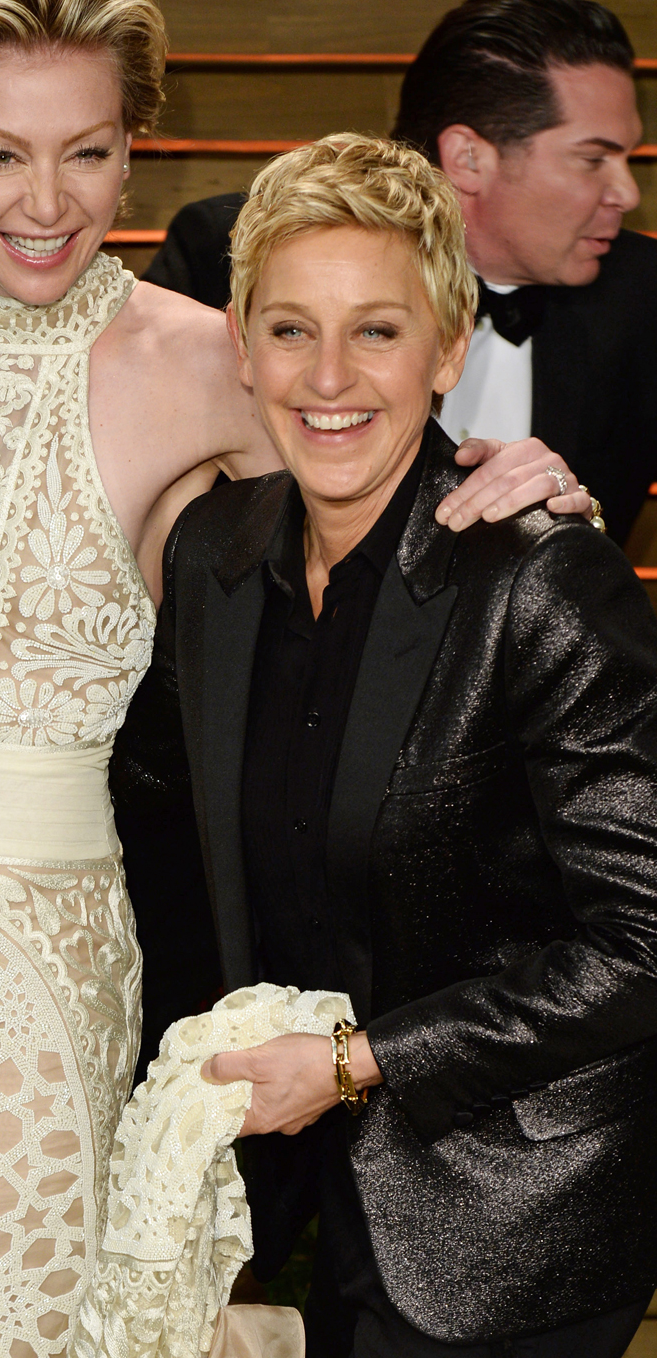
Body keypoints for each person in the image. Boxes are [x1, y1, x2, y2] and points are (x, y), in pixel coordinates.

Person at [0, 0, 590, 1358]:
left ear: (132, 152)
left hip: (35, 958)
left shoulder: (203, 356)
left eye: (87, 154)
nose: (45, 204)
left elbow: (368, 420)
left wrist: (527, 473)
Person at [113, 133, 657, 1357]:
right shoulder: (213, 558)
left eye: (378, 329)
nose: (328, 375)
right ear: (241, 346)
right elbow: (151, 824)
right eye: (291, 329)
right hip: (285, 1198)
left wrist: (357, 1063)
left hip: (510, 1209)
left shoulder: (543, 583)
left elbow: (643, 938)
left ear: (449, 349)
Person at [144, 0, 655, 547]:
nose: (626, 192)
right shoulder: (224, 256)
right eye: (592, 159)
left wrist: (578, 527)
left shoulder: (642, 298)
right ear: (468, 158)